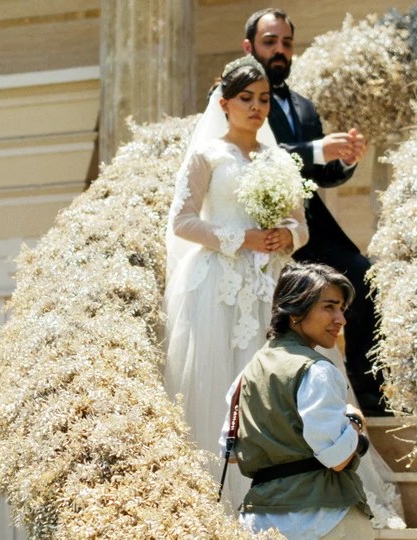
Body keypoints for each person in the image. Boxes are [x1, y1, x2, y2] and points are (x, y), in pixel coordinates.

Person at [163, 55, 308, 505]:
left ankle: (282, 484)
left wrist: (285, 235)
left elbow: (302, 227)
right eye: (246, 98)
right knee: (218, 376)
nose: (256, 107)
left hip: (269, 282)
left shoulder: (280, 160)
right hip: (216, 285)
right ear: (224, 103)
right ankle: (215, 493)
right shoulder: (207, 154)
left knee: (274, 376)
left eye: (263, 99)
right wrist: (239, 238)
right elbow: (182, 223)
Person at [242, 8, 387, 416]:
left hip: (309, 226)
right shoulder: (236, 98)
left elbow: (321, 173)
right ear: (249, 46)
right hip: (256, 224)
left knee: (364, 275)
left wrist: (344, 160)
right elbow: (256, 153)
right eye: (270, 42)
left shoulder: (303, 107)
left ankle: (369, 393)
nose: (279, 51)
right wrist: (317, 149)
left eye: (286, 43)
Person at [221, 263, 374, 539]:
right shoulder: (317, 370)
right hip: (325, 519)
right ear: (295, 311)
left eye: (342, 309)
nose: (341, 320)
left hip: (260, 523)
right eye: (329, 307)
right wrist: (354, 421)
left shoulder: (248, 373)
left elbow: (229, 451)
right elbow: (337, 458)